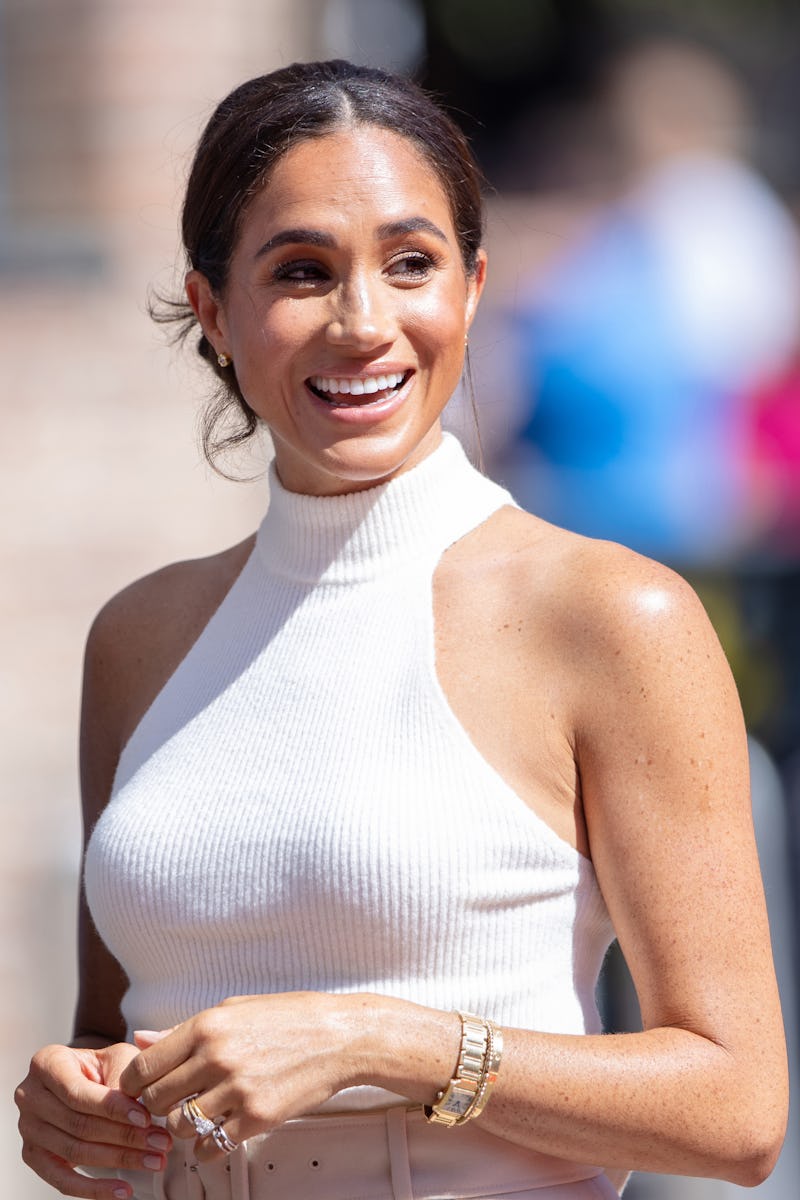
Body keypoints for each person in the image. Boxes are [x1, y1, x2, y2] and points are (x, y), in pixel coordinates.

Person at [14, 60, 787, 1200]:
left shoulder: (607, 615)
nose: (362, 322)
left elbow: (736, 1110)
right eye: (301, 272)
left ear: (471, 289)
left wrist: (388, 1042)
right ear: (214, 311)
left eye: (410, 263)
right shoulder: (142, 635)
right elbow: (116, 1040)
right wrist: (68, 1107)